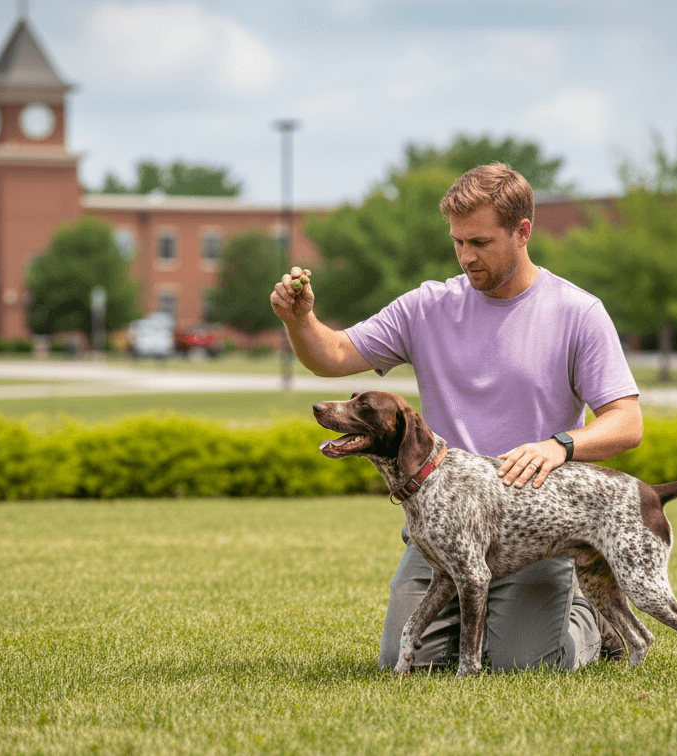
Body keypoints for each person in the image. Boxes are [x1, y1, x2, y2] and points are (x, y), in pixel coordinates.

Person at [269, 163, 642, 671]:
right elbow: (332, 355)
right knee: (403, 662)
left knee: (525, 666)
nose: (467, 256)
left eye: (481, 242)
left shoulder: (578, 312)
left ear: (523, 231)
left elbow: (626, 422)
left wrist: (559, 446)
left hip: (531, 533)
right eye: (458, 242)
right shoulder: (427, 306)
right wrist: (300, 320)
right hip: (444, 541)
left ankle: (587, 616)